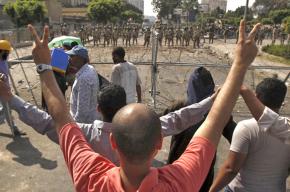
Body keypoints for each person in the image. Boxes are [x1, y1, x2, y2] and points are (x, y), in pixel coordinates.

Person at [28, 19, 261, 191]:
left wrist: (44, 67)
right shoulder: (178, 182)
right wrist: (239, 65)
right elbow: (213, 122)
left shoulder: (91, 176)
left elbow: (61, 119)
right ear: (159, 143)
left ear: (112, 141)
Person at [0, 81, 215, 165]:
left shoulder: (84, 133)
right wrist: (213, 100)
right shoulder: (143, 128)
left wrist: (11, 98)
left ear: (98, 109)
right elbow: (179, 119)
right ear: (126, 106)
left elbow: (47, 122)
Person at [210, 78, 290, 192]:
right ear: (282, 101)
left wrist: (212, 190)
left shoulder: (246, 127)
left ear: (256, 96)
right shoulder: (287, 129)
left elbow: (230, 169)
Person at [66, 45, 100, 123]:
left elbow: (82, 111)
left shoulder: (84, 78)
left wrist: (75, 125)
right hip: (89, 120)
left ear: (79, 58)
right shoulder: (89, 69)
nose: (69, 59)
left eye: (72, 56)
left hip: (84, 123)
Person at [0, 40, 24, 136]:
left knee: (6, 108)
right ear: (2, 51)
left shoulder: (4, 60)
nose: (9, 53)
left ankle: (14, 128)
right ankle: (15, 129)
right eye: (7, 52)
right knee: (7, 109)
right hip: (1, 89)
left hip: (6, 88)